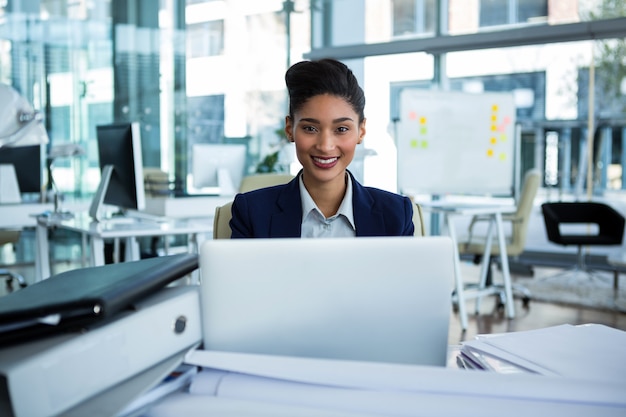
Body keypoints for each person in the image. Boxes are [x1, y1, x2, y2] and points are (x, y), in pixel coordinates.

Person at [230, 58, 414, 238]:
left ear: (361, 131)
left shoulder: (396, 215)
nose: (325, 146)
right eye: (310, 128)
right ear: (289, 129)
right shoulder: (251, 213)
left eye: (341, 129)